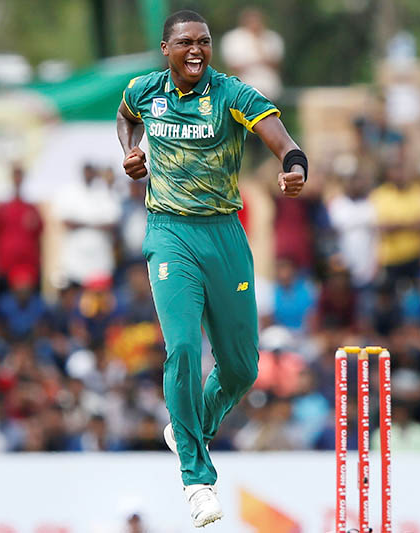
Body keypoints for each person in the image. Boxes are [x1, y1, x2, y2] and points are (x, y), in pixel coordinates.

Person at [116, 10, 306, 527]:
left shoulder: (232, 94)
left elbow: (281, 138)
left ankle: (189, 425)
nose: (196, 50)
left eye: (204, 42)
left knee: (244, 368)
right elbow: (126, 115)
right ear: (165, 49)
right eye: (185, 43)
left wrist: (294, 165)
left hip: (224, 233)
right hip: (169, 233)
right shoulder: (144, 91)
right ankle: (197, 478)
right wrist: (131, 152)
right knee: (180, 347)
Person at [0, 165, 43, 295]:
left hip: (29, 270)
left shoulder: (32, 209)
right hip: (5, 268)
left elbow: (39, 240)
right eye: (15, 175)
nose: (17, 179)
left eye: (20, 175)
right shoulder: (1, 209)